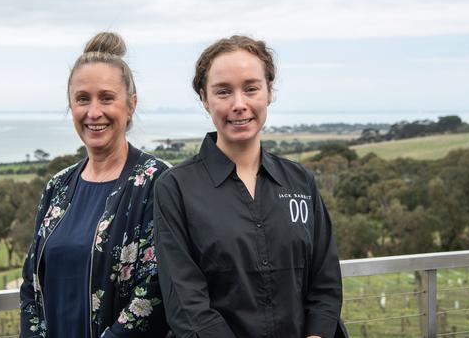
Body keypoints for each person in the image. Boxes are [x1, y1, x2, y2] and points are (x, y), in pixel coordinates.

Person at [153, 35, 346, 338]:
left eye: (251, 88)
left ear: (269, 92)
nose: (239, 104)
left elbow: (325, 282)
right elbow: (186, 302)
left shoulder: (301, 182)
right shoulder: (175, 188)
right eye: (223, 92)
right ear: (205, 99)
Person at [20, 32, 169, 338]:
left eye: (107, 97)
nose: (94, 112)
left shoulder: (157, 181)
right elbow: (30, 287)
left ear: (131, 105)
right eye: (83, 99)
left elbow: (157, 287)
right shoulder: (57, 187)